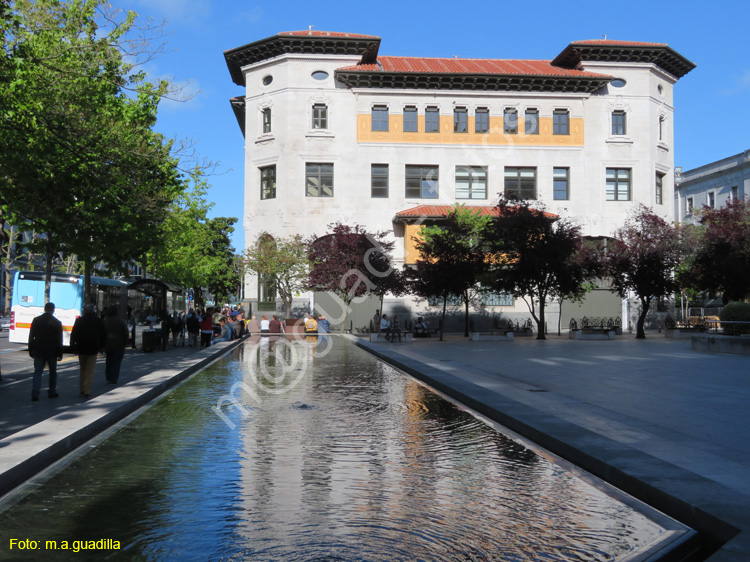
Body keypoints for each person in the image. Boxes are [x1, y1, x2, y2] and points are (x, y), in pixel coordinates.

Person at [28, 302, 63, 402]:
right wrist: (60, 353)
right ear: (53, 310)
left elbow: (31, 336)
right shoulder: (57, 322)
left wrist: (31, 350)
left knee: (38, 372)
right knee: (53, 372)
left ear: (44, 309)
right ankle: (52, 391)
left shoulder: (36, 320)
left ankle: (35, 393)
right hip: (52, 351)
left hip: (39, 350)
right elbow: (59, 340)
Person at [70, 303, 106, 399]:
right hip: (93, 348)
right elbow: (103, 334)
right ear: (93, 310)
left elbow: (74, 334)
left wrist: (73, 346)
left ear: (85, 311)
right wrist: (102, 347)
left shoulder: (79, 320)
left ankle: (81, 389)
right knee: (90, 370)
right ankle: (87, 390)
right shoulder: (98, 321)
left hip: (81, 348)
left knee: (82, 369)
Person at [103, 306, 129, 386]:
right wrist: (125, 342)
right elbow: (126, 333)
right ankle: (113, 379)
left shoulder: (105, 321)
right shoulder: (121, 321)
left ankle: (108, 378)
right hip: (119, 345)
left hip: (108, 345)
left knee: (109, 362)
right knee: (116, 363)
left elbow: (102, 334)